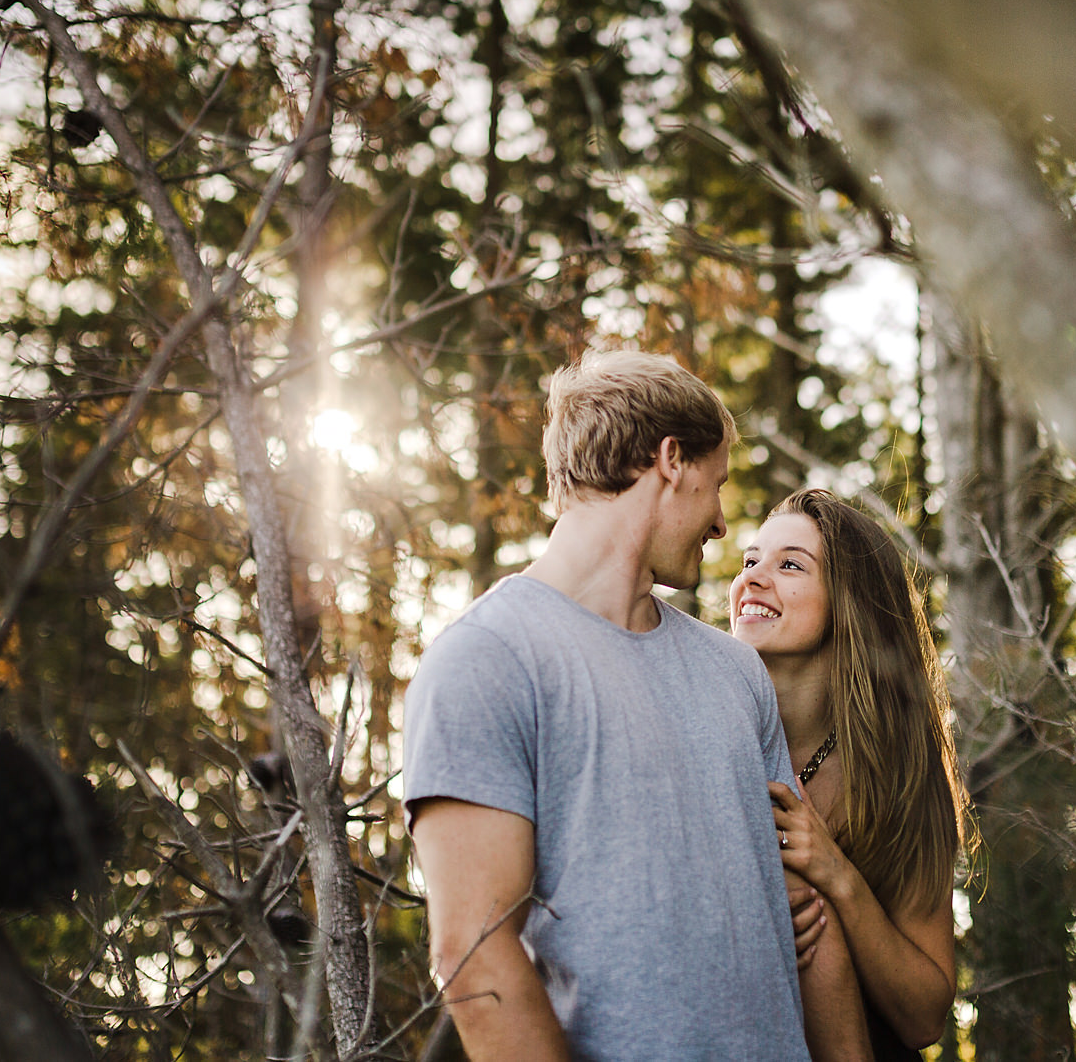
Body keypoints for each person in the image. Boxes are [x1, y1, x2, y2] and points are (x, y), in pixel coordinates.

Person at [403, 350, 867, 1062]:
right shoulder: (486, 659)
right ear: (671, 459)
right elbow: (475, 954)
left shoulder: (736, 672)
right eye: (716, 486)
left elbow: (809, 922)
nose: (719, 524)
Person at [731, 488, 971, 1059]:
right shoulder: (703, 732)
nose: (754, 578)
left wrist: (838, 874)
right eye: (750, 560)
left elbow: (924, 1018)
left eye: (790, 565)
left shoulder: (899, 773)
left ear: (849, 602)